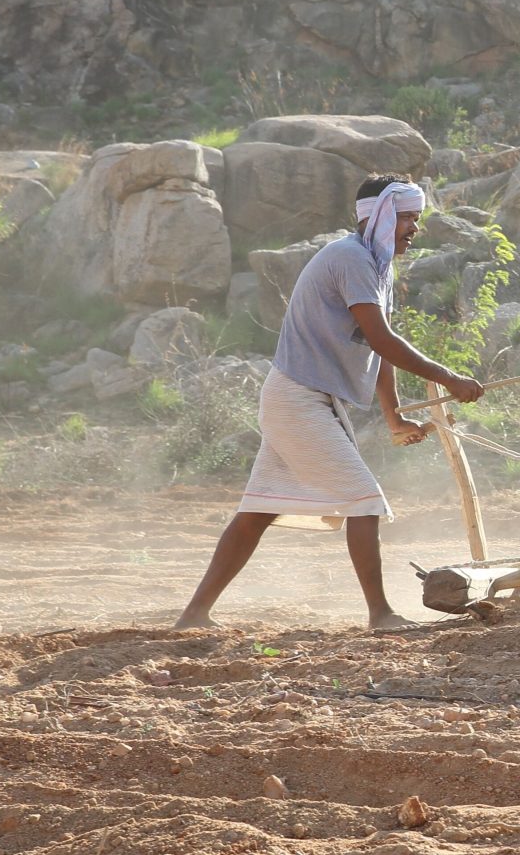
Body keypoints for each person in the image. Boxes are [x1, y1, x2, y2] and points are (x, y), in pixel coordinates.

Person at [175, 175, 483, 632]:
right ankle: (380, 614)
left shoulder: (376, 266)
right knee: (365, 501)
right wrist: (448, 377)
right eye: (407, 218)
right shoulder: (352, 260)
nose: (414, 228)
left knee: (257, 512)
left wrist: (393, 415)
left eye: (416, 219)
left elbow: (376, 347)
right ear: (379, 217)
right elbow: (382, 339)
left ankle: (194, 615)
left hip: (302, 398)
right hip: (297, 398)